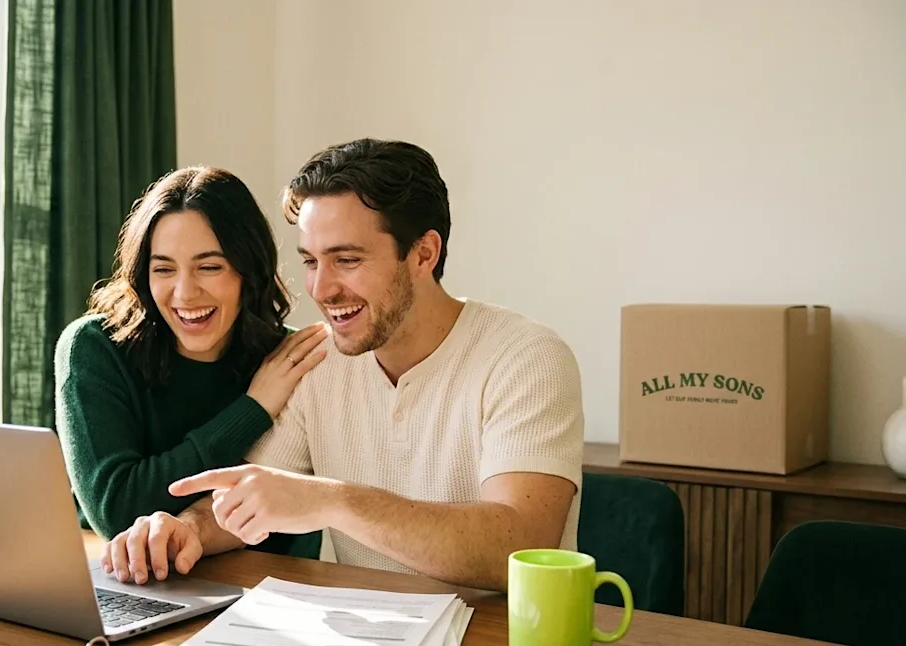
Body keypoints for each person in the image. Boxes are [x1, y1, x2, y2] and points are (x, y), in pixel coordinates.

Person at [101, 138, 585, 592]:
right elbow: (251, 496)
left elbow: (522, 547)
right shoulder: (318, 361)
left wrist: (332, 499)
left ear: (423, 253)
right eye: (311, 261)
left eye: (346, 260)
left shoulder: (526, 357)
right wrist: (188, 531)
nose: (321, 289)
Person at [54, 165, 328, 585]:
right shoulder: (95, 348)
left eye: (209, 267)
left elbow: (289, 528)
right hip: (129, 582)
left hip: (266, 590)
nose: (184, 293)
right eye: (163, 269)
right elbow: (118, 513)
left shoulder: (291, 361)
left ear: (247, 271)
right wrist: (252, 410)